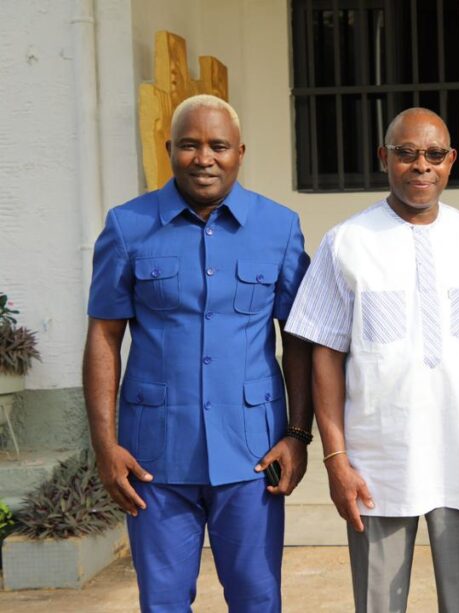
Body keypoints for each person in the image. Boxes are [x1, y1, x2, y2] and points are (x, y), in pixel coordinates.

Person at [83, 94, 313, 612]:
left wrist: (298, 435)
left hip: (253, 453)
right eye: (189, 145)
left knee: (257, 598)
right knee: (163, 601)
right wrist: (105, 445)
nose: (203, 158)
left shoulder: (279, 228)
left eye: (218, 146)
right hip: (154, 458)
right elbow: (103, 336)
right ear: (169, 149)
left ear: (240, 152)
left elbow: (298, 339)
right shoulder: (127, 226)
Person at [285, 107, 459, 613]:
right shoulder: (347, 242)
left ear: (451, 160)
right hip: (376, 462)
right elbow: (324, 356)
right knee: (379, 604)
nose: (421, 165)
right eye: (407, 153)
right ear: (384, 158)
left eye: (434, 154)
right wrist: (336, 459)